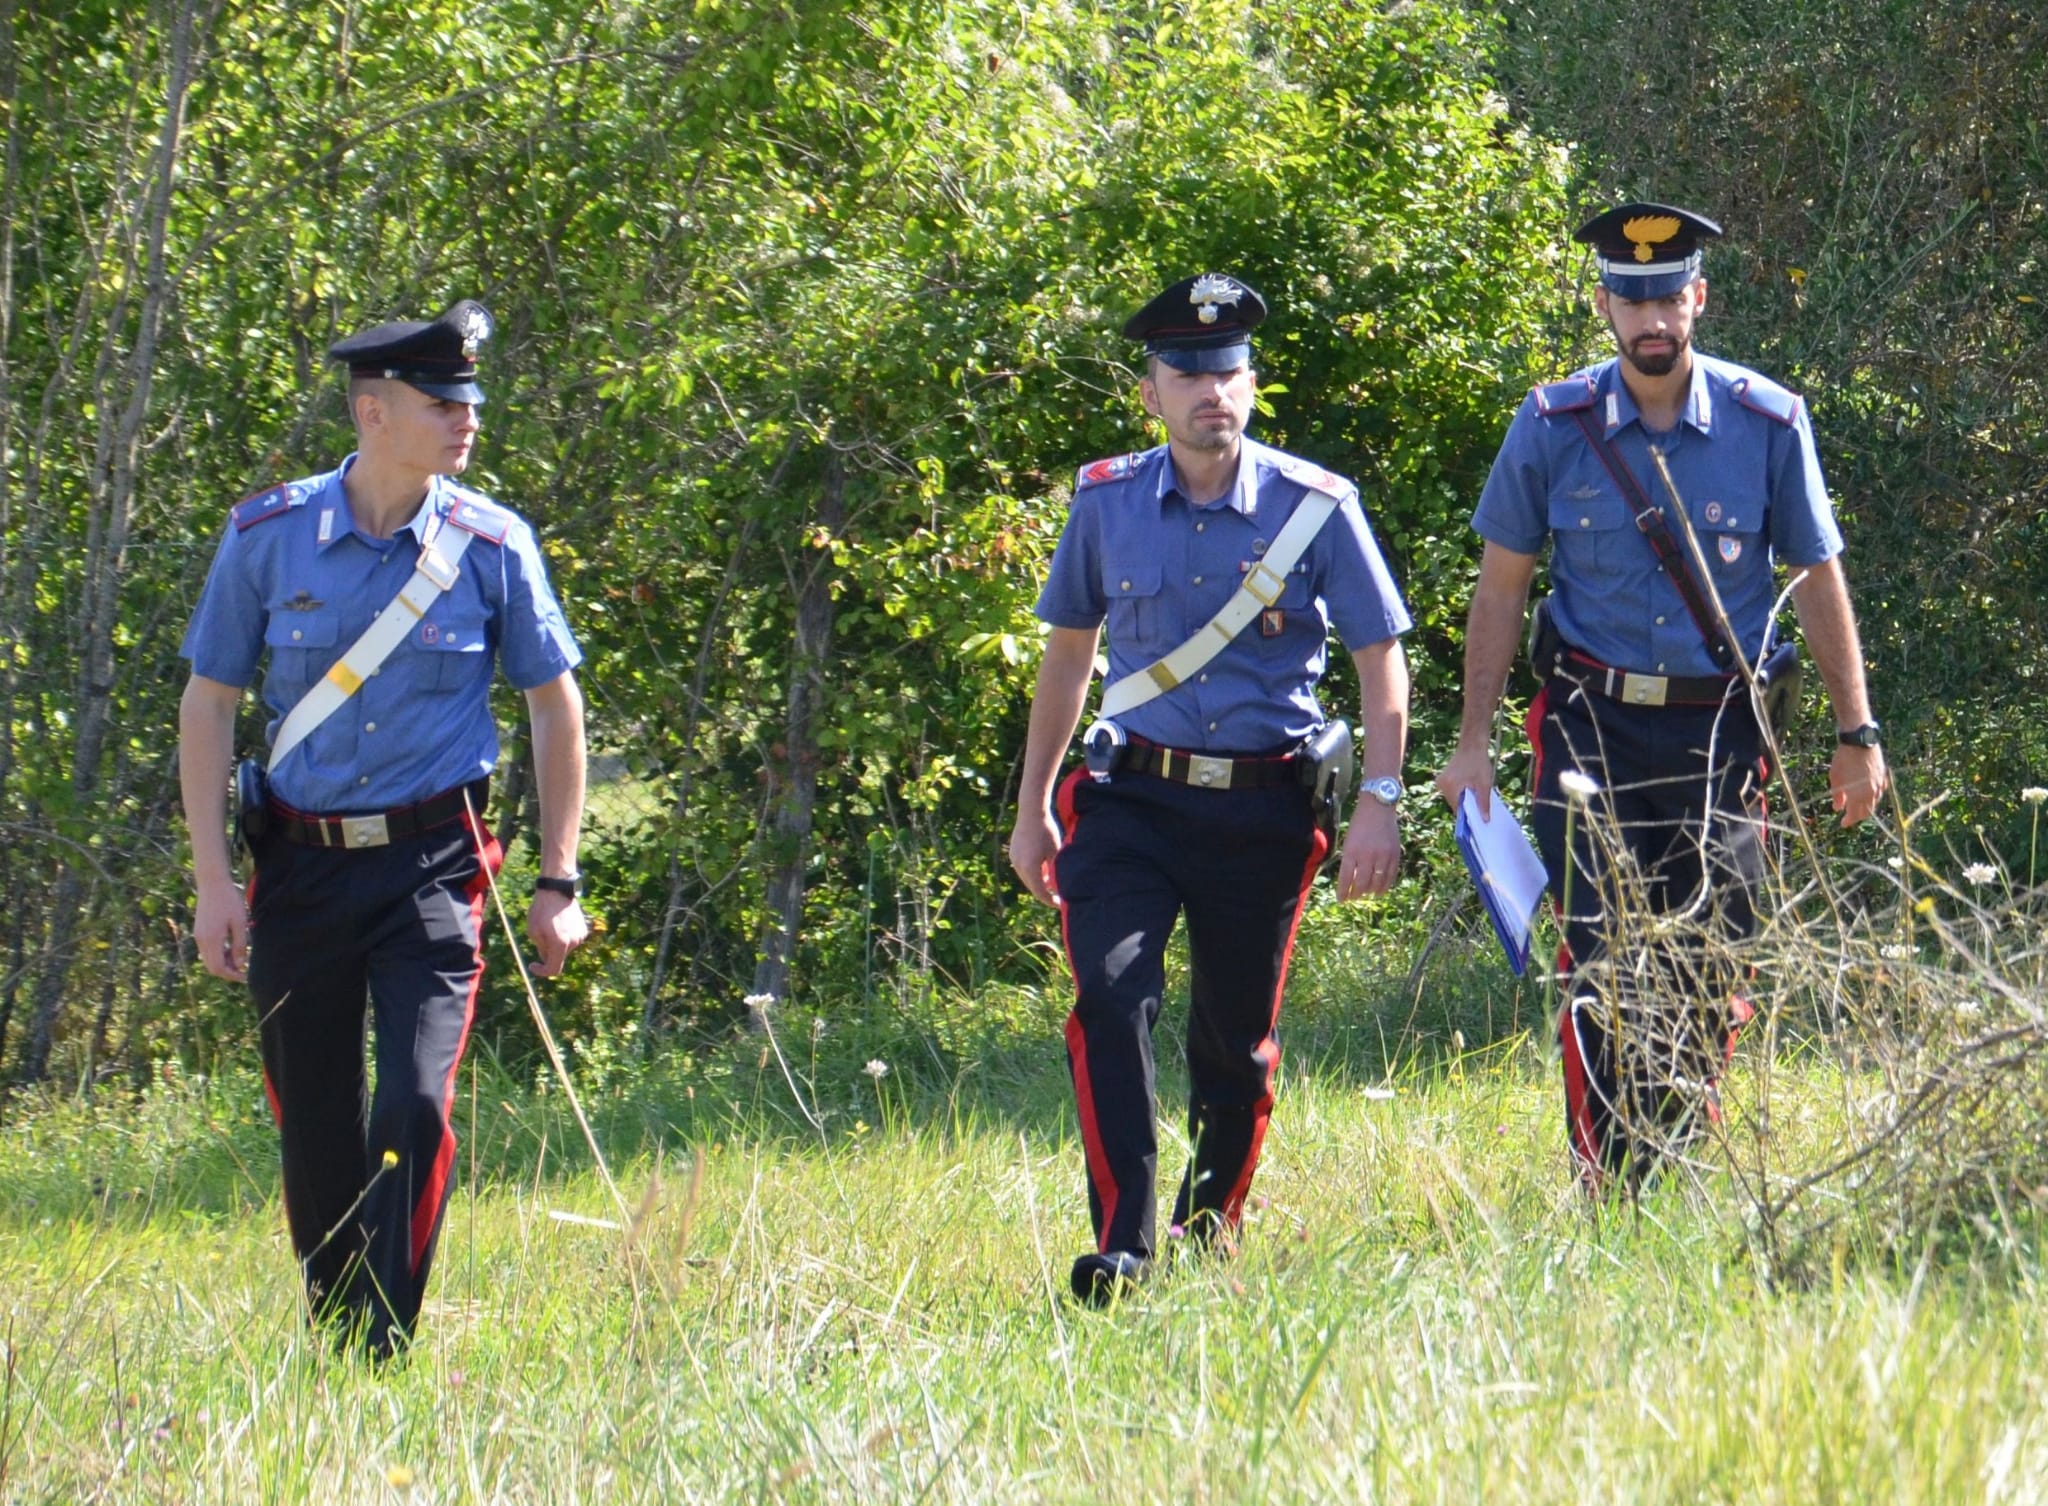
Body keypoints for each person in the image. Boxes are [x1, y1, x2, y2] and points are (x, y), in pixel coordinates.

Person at [1434, 204, 1889, 1189]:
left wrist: (1856, 730)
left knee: (1709, 955)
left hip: (1715, 735)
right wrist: (1471, 742)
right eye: (1629, 297)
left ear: (1697, 298)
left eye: (1666, 295)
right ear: (1601, 304)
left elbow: (1816, 580)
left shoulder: (1767, 424)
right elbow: (1500, 586)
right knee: (1598, 957)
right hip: (1587, 728)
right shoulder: (1550, 425)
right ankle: (1610, 1175)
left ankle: (1672, 1152)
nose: (1650, 317)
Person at [177, 299, 589, 1357]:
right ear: (372, 411)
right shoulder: (267, 538)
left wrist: (558, 879)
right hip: (299, 870)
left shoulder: (492, 544)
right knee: (314, 1126)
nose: (466, 420)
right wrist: (215, 882)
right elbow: (210, 701)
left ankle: (382, 1342)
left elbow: (554, 706)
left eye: (469, 401)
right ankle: (340, 1324)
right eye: (441, 401)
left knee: (411, 1104)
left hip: (435, 867)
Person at [1009, 273, 1412, 1305]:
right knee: (1109, 997)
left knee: (1233, 1041)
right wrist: (1028, 808)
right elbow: (1067, 657)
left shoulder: (1314, 507)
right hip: (1128, 802)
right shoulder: (1103, 501)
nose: (1209, 391)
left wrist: (1379, 797)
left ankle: (1206, 1224)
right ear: (1149, 392)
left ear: (1249, 383)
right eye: (1186, 373)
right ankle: (1124, 1244)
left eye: (1226, 371)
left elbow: (1379, 655)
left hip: (1261, 806)